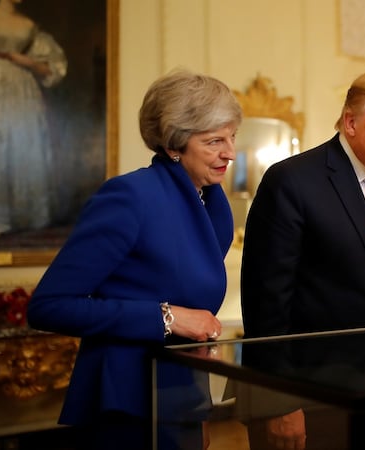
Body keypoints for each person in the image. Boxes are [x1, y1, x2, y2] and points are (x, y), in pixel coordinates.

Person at [27, 69, 241, 449]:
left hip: (179, 394)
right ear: (175, 144)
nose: (230, 152)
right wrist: (167, 317)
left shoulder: (214, 203)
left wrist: (199, 406)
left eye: (232, 137)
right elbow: (49, 306)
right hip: (125, 399)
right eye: (214, 141)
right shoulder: (130, 197)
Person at [239, 70, 365, 450]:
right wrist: (280, 402)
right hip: (309, 395)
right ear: (351, 122)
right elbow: (266, 305)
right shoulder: (292, 181)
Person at [0, 0, 67, 243]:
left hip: (22, 89)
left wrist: (26, 62)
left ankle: (21, 216)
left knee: (22, 145)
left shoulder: (29, 27)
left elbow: (53, 67)